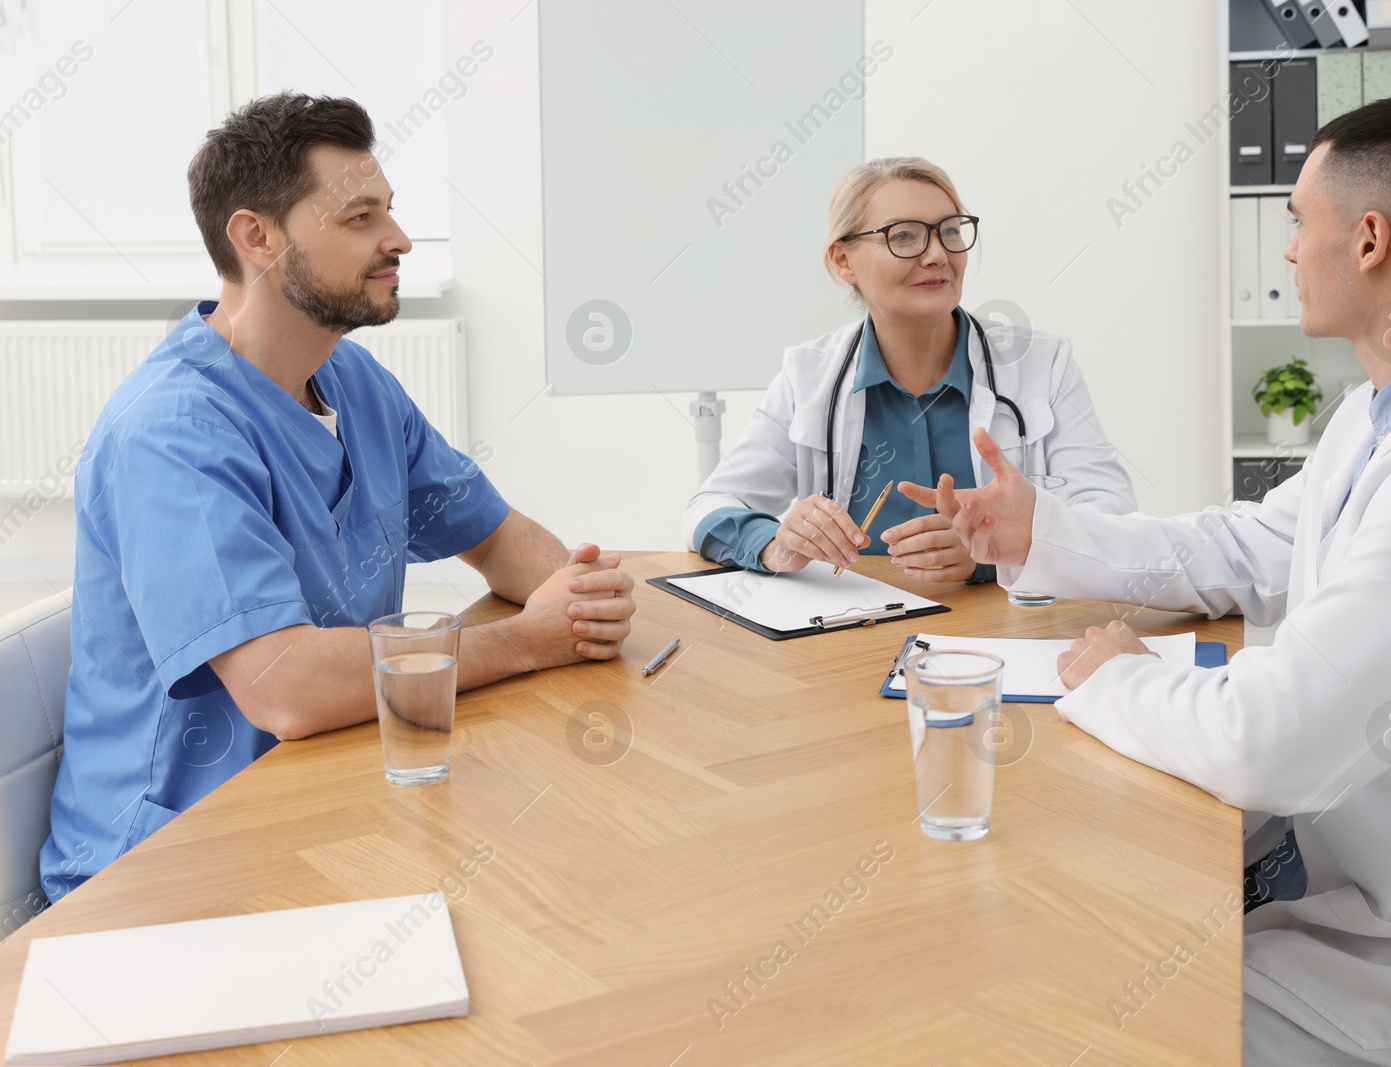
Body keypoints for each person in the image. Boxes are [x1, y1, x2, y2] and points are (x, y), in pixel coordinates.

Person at [907, 94, 1391, 1064]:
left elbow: (1267, 742)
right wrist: (1043, 531)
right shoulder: (1385, 409)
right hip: (1365, 875)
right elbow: (1256, 547)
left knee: (1083, 1011)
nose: (1284, 251)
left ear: (1367, 240)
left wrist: (1112, 674)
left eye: (1294, 222)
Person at [38, 94, 636, 901]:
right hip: (168, 867)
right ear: (256, 237)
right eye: (360, 218)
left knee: (573, 865)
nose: (399, 240)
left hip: (321, 794)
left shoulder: (353, 381)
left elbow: (493, 535)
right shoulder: (172, 432)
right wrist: (528, 641)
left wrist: (575, 591)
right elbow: (287, 686)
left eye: (389, 211)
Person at [684, 157, 1134, 583]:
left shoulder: (1040, 364)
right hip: (849, 638)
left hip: (1005, 635)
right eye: (904, 236)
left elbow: (1111, 517)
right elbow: (710, 507)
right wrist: (777, 543)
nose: (938, 254)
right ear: (843, 261)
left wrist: (995, 554)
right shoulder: (808, 375)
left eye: (950, 232)